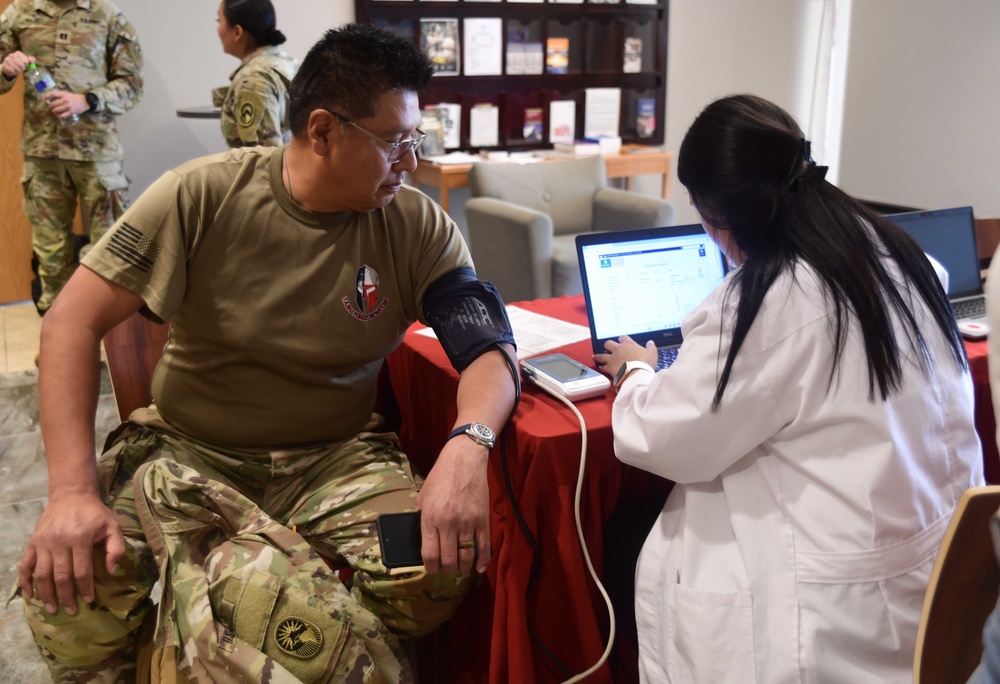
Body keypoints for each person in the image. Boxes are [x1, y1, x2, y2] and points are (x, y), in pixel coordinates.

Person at [15, 22, 516, 681]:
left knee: (432, 568)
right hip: (188, 459)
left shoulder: (414, 222)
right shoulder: (200, 194)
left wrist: (467, 445)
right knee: (70, 598)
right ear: (322, 131)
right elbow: (69, 325)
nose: (411, 161)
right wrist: (72, 493)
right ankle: (230, 605)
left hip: (333, 464)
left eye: (414, 140)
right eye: (394, 141)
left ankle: (226, 590)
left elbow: (489, 349)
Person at [595, 94, 984, 682]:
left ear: (714, 215)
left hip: (832, 617)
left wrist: (637, 371)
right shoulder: (899, 252)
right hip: (937, 574)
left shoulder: (768, 303)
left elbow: (664, 439)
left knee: (628, 539)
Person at [0, 0, 143, 322]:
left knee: (112, 253)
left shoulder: (106, 14)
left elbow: (133, 83)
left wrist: (89, 100)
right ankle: (59, 347)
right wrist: (6, 70)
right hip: (43, 154)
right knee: (51, 257)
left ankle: (114, 347)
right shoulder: (19, 13)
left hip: (98, 155)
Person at [214, 0, 297, 148]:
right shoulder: (287, 63)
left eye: (219, 21)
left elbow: (264, 160)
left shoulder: (253, 79)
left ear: (237, 32)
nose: (218, 29)